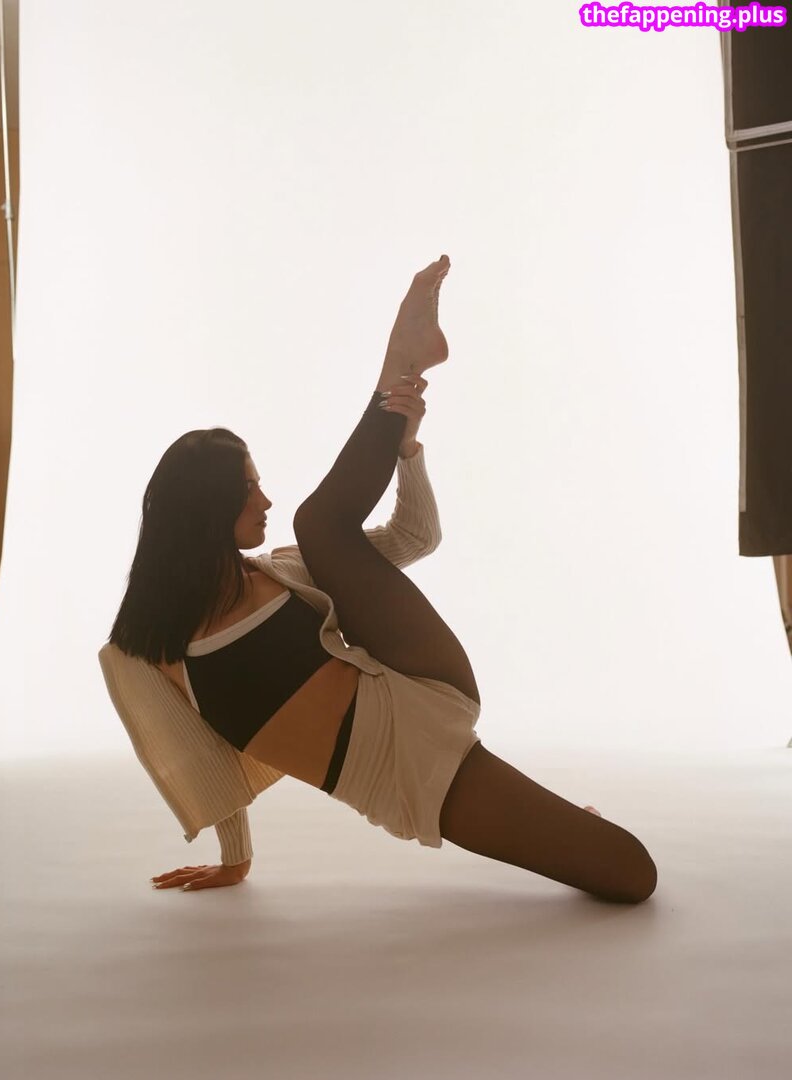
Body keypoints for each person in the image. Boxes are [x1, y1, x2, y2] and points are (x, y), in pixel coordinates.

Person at [104, 255, 657, 904]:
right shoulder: (151, 649)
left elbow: (414, 538)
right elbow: (207, 759)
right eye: (248, 487)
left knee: (318, 524)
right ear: (207, 508)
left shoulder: (286, 571)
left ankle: (405, 362)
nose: (265, 499)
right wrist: (235, 860)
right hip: (403, 776)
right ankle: (571, 830)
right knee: (631, 873)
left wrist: (407, 449)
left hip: (415, 681)